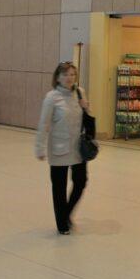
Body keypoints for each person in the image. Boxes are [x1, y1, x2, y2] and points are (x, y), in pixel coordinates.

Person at [35, 62, 90, 235]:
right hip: (59, 147)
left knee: (80, 182)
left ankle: (66, 213)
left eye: (73, 74)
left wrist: (86, 106)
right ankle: (62, 223)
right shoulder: (52, 97)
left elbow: (87, 118)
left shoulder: (80, 92)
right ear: (58, 77)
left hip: (78, 148)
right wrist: (39, 147)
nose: (69, 78)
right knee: (59, 187)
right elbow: (43, 123)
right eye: (65, 75)